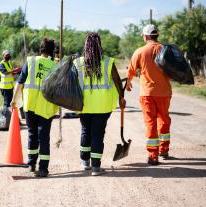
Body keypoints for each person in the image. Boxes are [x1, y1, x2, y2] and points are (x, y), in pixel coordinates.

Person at [73, 32, 126, 176]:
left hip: (83, 105)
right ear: (99, 45)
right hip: (103, 106)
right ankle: (96, 167)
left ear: (86, 45)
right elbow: (117, 82)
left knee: (86, 131)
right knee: (97, 134)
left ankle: (85, 162)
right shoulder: (108, 62)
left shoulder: (78, 63)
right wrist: (122, 98)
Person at [10, 38, 58, 177]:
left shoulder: (30, 61)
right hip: (46, 106)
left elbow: (19, 83)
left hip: (30, 105)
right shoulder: (54, 65)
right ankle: (43, 168)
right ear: (51, 50)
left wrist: (14, 100)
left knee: (32, 134)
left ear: (41, 49)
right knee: (44, 137)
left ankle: (31, 164)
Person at [126, 24, 172, 165]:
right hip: (164, 92)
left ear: (145, 36)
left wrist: (128, 82)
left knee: (151, 122)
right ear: (156, 35)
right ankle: (164, 149)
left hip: (147, 93)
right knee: (164, 119)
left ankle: (153, 155)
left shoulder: (140, 51)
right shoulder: (165, 50)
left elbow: (131, 70)